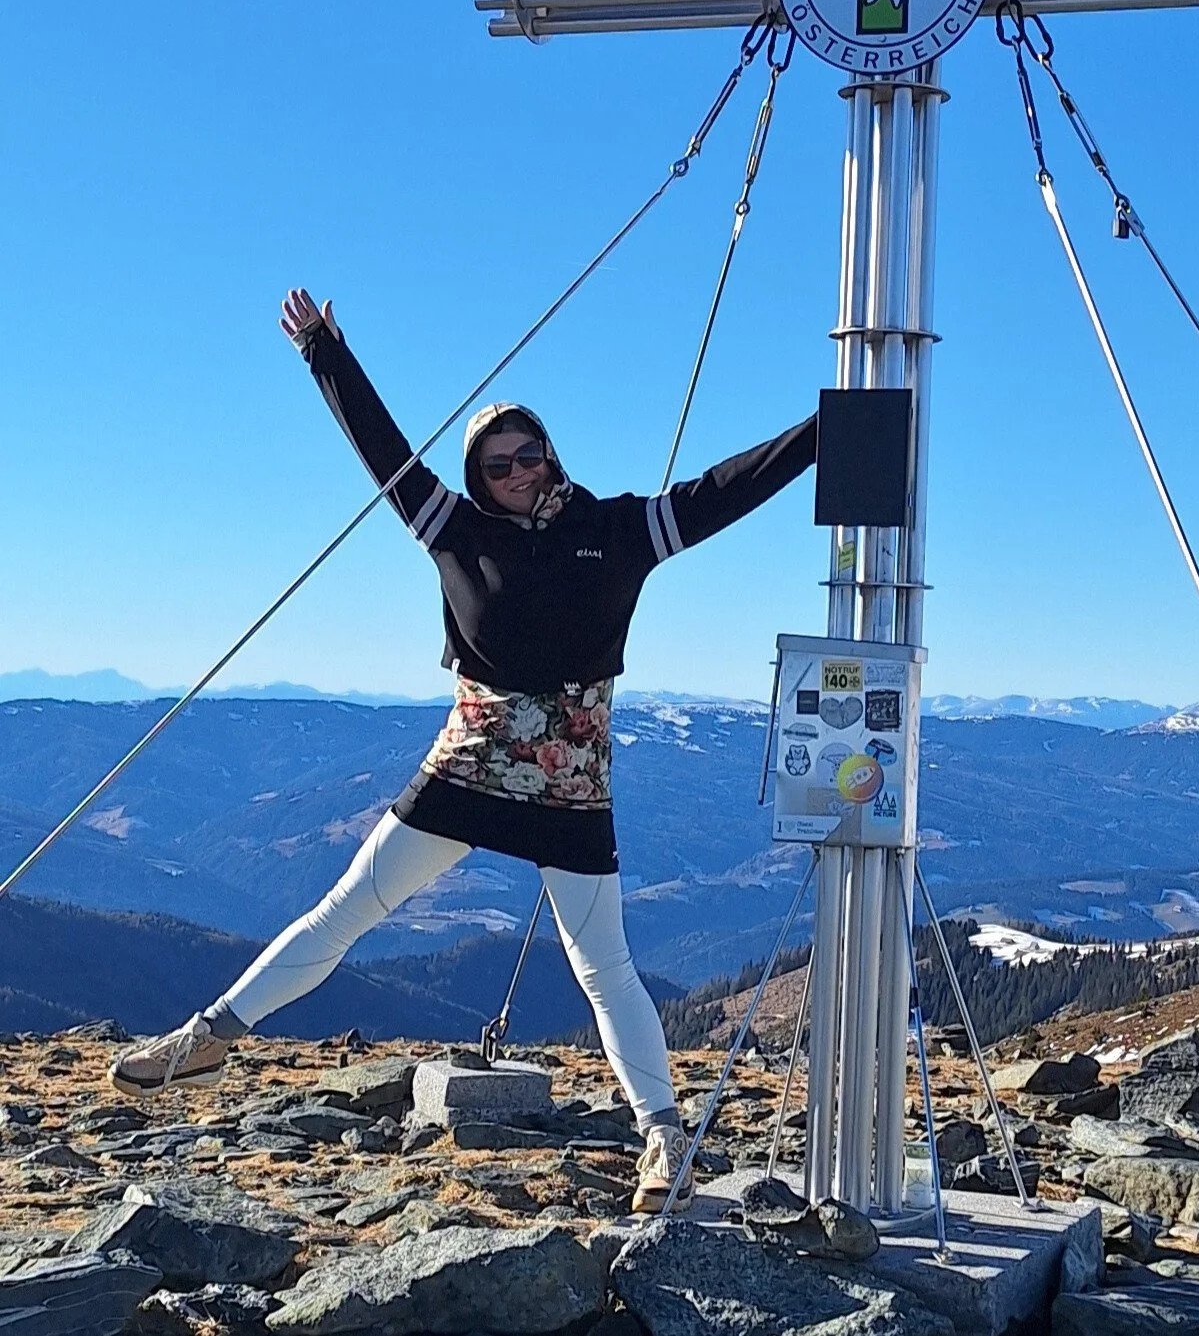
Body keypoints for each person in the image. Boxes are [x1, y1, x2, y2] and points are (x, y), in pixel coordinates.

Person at [109, 289, 817, 1214]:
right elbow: (385, 452)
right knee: (347, 909)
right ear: (478, 476)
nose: (518, 471)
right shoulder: (454, 530)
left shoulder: (618, 530)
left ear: (550, 453)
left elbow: (726, 488)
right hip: (469, 765)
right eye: (498, 463)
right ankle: (206, 1037)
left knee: (604, 967)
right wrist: (325, 351)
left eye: (529, 454)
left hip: (569, 786)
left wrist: (824, 432)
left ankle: (664, 1140)